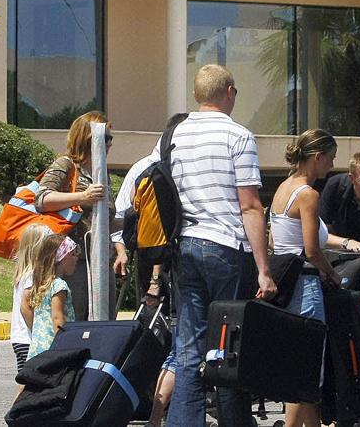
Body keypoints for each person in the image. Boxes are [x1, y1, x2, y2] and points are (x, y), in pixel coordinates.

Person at [163, 63, 275, 427]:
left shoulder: (174, 134)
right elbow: (250, 205)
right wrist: (263, 269)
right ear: (229, 92)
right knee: (228, 351)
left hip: (185, 247)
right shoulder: (238, 136)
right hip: (226, 247)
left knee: (188, 351)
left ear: (197, 95)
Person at [269, 129, 344, 427]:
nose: (331, 166)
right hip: (306, 284)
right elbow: (312, 249)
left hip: (285, 285)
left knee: (298, 363)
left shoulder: (282, 189)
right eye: (331, 159)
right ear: (317, 157)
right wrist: (333, 273)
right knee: (310, 367)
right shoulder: (309, 195)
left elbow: (275, 241)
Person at [34, 110, 110, 321]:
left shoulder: (100, 172)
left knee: (103, 321)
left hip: (99, 260)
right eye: (105, 138)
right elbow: (41, 199)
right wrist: (82, 196)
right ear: (88, 139)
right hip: (73, 261)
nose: (110, 144)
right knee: (75, 320)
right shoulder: (66, 165)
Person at [111, 112, 190, 310]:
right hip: (153, 259)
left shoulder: (184, 165)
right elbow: (122, 216)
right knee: (156, 323)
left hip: (181, 256)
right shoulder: (146, 169)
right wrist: (122, 253)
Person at [25, 234, 80, 359]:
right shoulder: (59, 285)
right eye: (72, 254)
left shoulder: (41, 283)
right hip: (53, 349)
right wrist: (62, 347)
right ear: (60, 258)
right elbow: (57, 318)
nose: (76, 258)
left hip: (38, 350)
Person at [11, 223, 55, 372]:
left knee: (26, 380)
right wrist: (37, 330)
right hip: (28, 339)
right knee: (29, 381)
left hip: (20, 337)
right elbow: (25, 306)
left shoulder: (24, 272)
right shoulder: (32, 274)